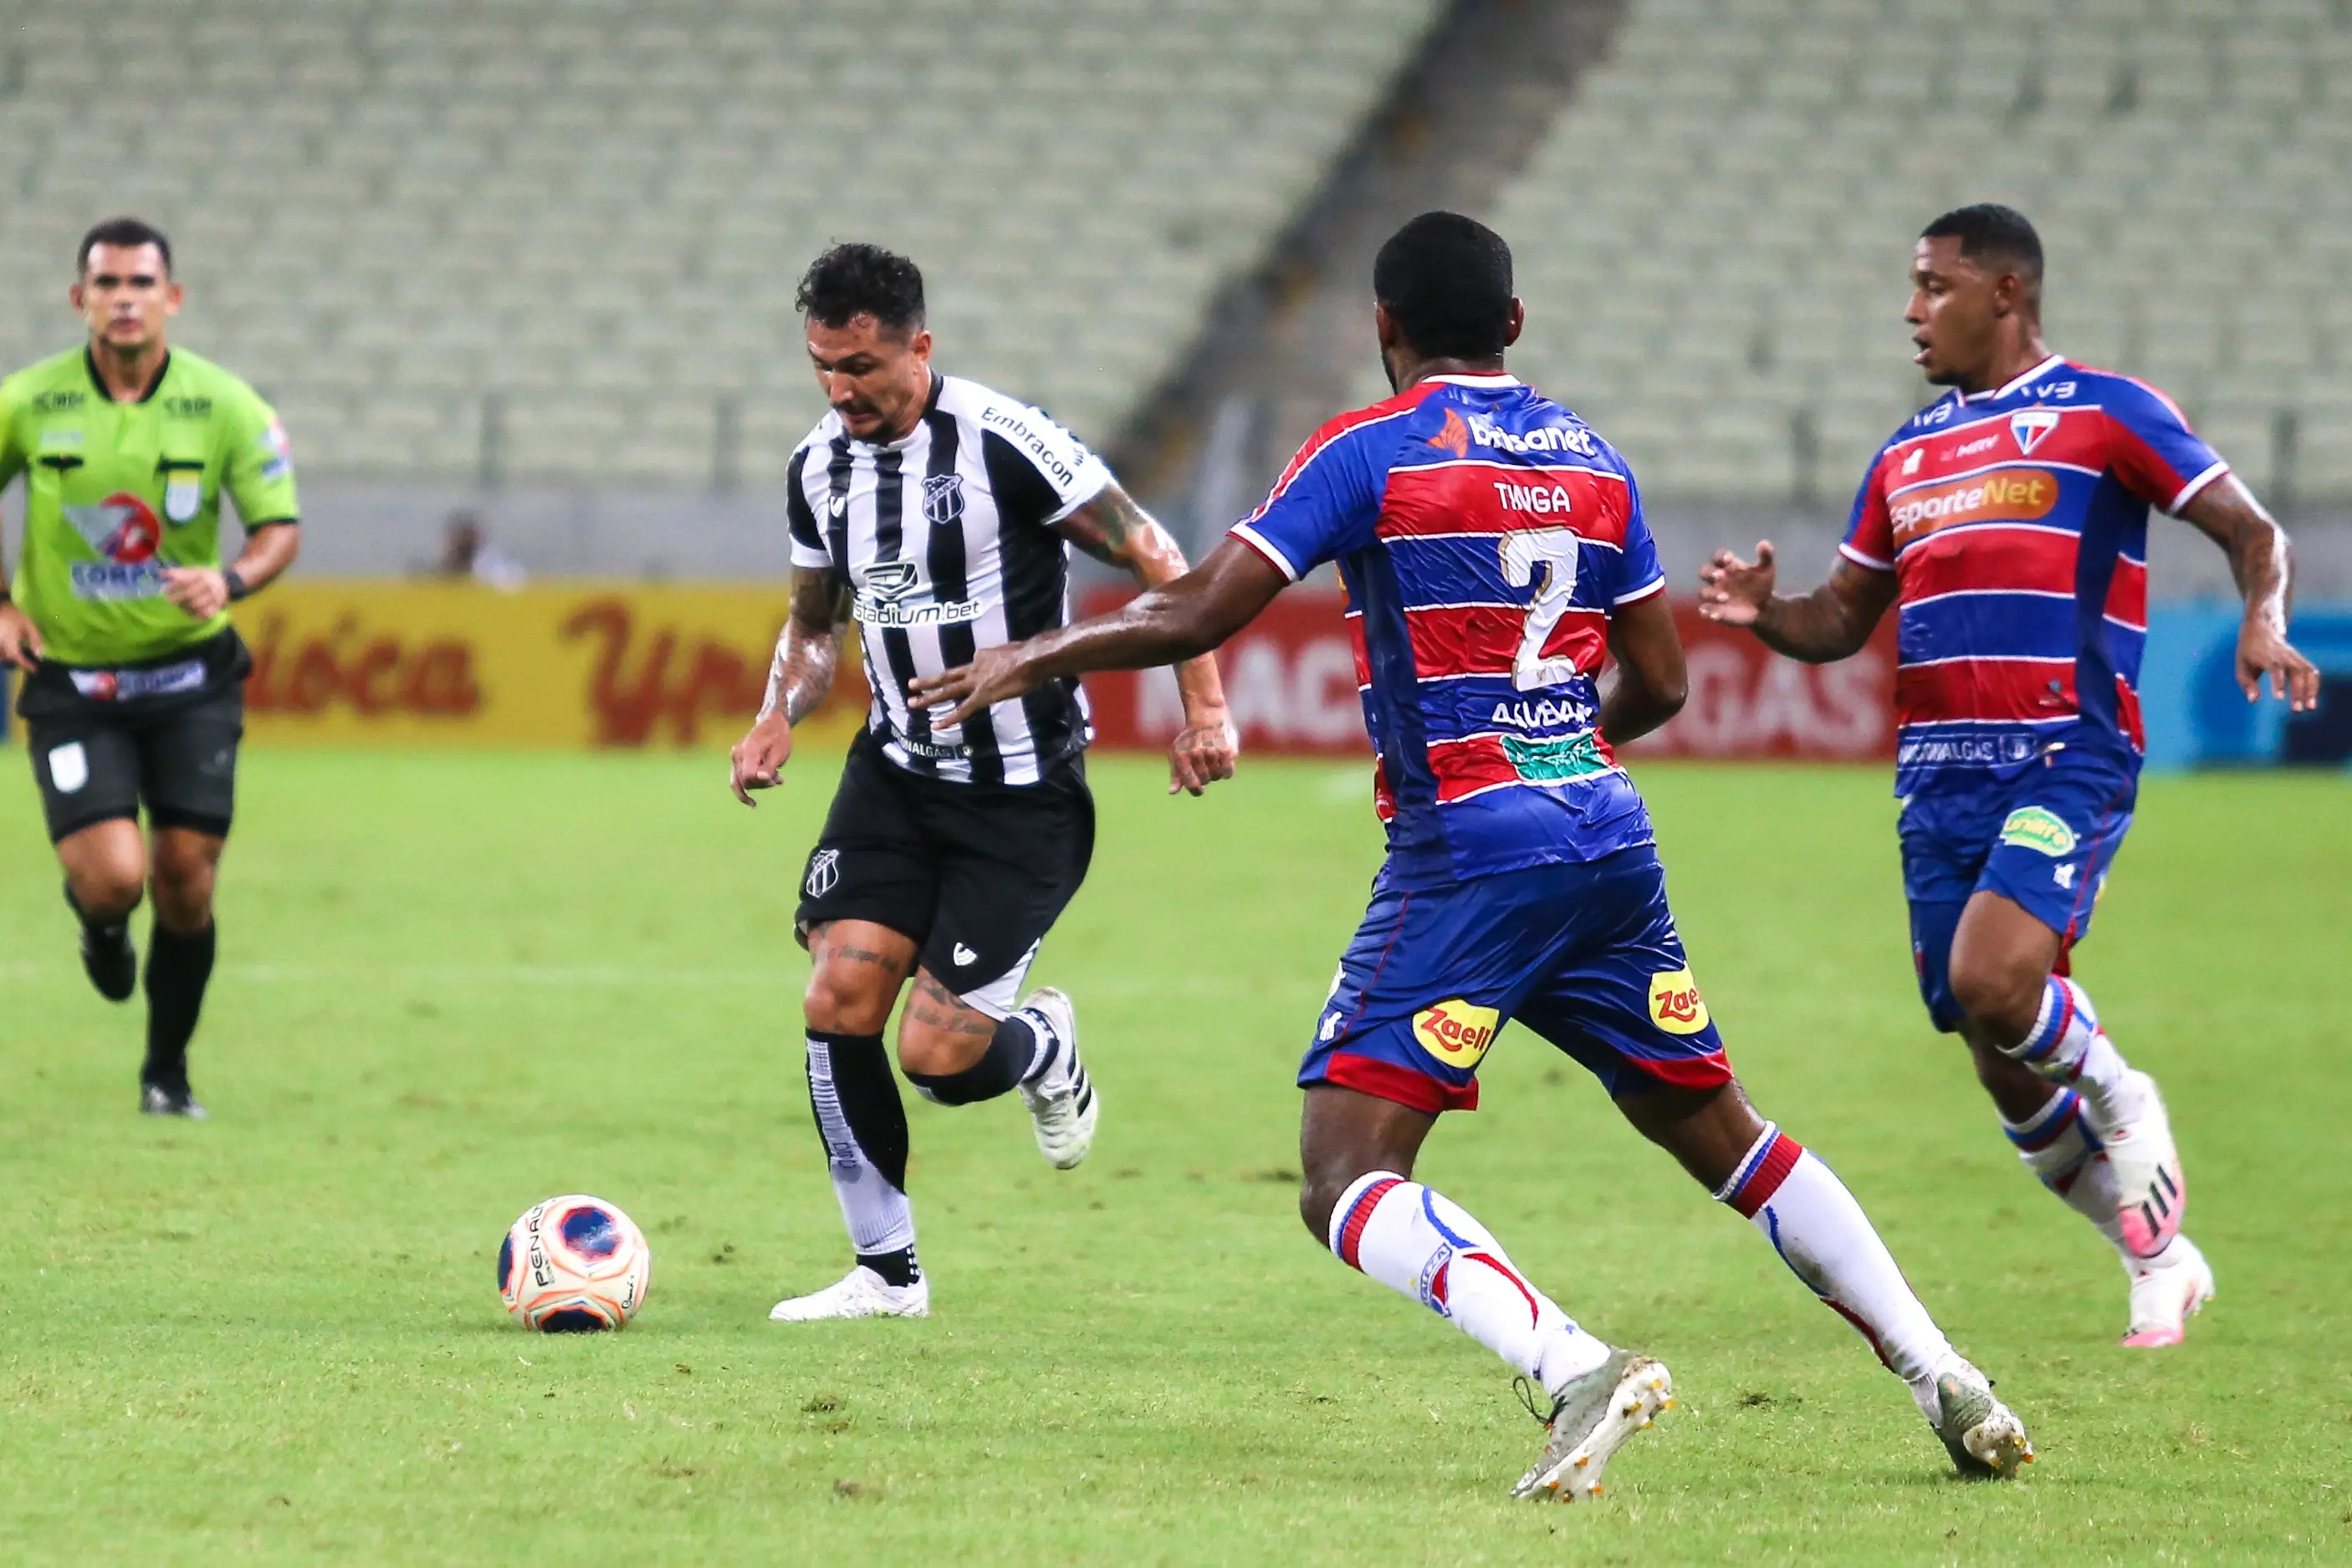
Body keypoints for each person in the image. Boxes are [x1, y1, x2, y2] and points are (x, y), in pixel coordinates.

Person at [910, 212, 2030, 1498]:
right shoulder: (1593, 460)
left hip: (1467, 853)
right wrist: (1553, 747)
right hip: (1604, 838)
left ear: (1383, 326)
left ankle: (1575, 1365)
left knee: (1343, 1174)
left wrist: (1032, 653)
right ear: (1513, 323)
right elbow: (1663, 683)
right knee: (1726, 1132)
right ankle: (1947, 1371)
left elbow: (1202, 604)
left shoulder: (1368, 450)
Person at [1698, 204, 2319, 1349]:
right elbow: (1840, 617)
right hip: (1936, 778)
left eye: (1932, 285)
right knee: (1996, 1055)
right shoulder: (1906, 452)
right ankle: (2158, 1258)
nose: (1911, 310)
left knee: (1994, 979)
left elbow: (2253, 531)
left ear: (2005, 292)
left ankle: (2124, 1092)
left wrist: (2262, 616)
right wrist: (1765, 612)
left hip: (2064, 750)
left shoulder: (2104, 413)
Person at [729, 243, 1237, 1321]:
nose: (840, 390)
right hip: (896, 776)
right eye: (822, 366)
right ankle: (886, 1275)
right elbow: (814, 628)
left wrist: (1203, 708)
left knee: (940, 1060)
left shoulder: (1005, 442)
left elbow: (1159, 558)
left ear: (919, 346)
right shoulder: (816, 467)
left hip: (1021, 795)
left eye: (861, 365)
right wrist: (779, 711)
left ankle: (1041, 1044)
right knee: (836, 997)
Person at [0, 217, 301, 1118]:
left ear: (172, 297)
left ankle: (166, 1074)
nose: (124, 299)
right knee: (114, 878)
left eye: (141, 284)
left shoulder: (226, 405)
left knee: (185, 879)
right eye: (107, 283)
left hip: (188, 681)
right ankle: (99, 925)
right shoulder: (28, 401)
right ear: (79, 298)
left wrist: (231, 579)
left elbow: (279, 528)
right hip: (71, 683)